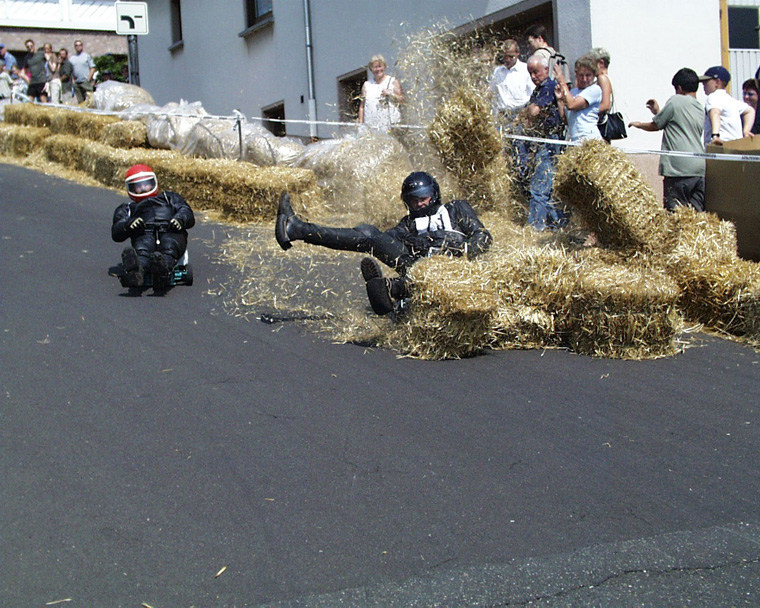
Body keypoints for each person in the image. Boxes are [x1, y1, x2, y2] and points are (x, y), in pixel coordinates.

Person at [274, 171, 492, 315]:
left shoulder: (455, 209)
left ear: (434, 194)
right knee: (369, 234)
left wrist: (455, 255)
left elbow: (483, 237)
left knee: (419, 280)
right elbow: (385, 240)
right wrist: (414, 243)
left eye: (424, 197)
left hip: (455, 273)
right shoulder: (407, 224)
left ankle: (392, 289)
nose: (420, 202)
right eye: (413, 199)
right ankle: (298, 229)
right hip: (417, 268)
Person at [629, 68, 705, 212]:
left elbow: (656, 125)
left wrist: (638, 124)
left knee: (675, 216)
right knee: (696, 217)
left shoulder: (675, 100)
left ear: (679, 88)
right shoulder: (699, 107)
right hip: (698, 168)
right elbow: (676, 123)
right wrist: (657, 112)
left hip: (678, 169)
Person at [111, 164, 195, 290]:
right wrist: (128, 225)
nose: (143, 188)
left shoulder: (169, 198)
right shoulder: (128, 208)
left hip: (169, 229)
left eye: (146, 184)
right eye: (138, 186)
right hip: (143, 233)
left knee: (169, 245)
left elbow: (185, 210)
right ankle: (138, 271)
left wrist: (180, 219)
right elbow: (116, 232)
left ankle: (163, 268)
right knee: (143, 249)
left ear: (154, 183)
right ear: (130, 189)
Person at [520, 54, 568, 231]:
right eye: (530, 73)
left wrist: (528, 112)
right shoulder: (538, 89)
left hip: (551, 141)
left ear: (546, 70)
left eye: (536, 72)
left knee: (539, 187)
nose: (533, 76)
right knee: (547, 186)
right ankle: (559, 226)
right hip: (542, 140)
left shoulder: (548, 86)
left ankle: (535, 228)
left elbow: (532, 111)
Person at [699, 66, 755, 145]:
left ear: (717, 82)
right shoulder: (731, 100)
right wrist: (746, 131)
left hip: (720, 145)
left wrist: (715, 136)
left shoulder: (713, 96)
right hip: (736, 145)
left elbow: (715, 113)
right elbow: (750, 110)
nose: (703, 85)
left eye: (706, 81)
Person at [554, 54, 603, 142]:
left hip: (589, 139)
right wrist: (560, 100)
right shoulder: (573, 92)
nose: (584, 79)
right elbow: (565, 119)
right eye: (581, 75)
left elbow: (572, 105)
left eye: (588, 75)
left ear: (594, 75)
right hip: (575, 140)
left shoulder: (595, 90)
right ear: (576, 74)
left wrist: (561, 80)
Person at [357, 54, 404, 132]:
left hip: (390, 126)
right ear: (371, 69)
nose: (378, 69)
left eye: (380, 66)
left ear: (384, 67)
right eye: (375, 67)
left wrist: (391, 94)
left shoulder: (392, 81)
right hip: (371, 127)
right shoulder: (367, 85)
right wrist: (361, 125)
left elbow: (402, 100)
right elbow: (362, 107)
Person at [489, 39, 534, 119]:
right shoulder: (497, 72)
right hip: (502, 115)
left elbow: (533, 93)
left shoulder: (525, 70)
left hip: (520, 114)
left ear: (518, 54)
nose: (508, 60)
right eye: (505, 56)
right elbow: (492, 93)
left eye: (511, 56)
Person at [69, 39, 95, 104]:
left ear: (82, 46)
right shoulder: (72, 58)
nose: (78, 47)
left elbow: (92, 68)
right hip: (77, 83)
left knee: (90, 100)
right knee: (80, 102)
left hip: (85, 82)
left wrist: (88, 78)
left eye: (80, 45)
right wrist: (73, 80)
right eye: (76, 45)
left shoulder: (87, 56)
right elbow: (70, 70)